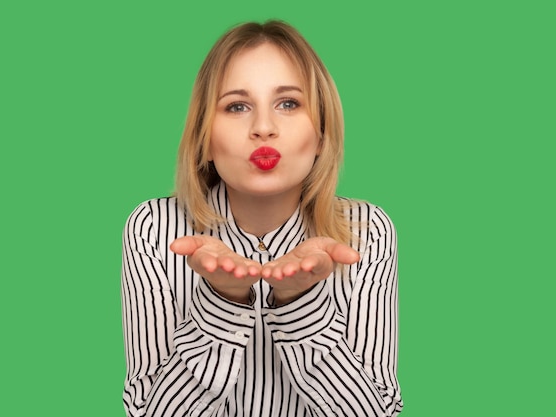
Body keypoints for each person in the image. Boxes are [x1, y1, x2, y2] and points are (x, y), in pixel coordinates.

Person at [121, 20, 402, 417]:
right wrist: (222, 301)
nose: (264, 128)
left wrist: (300, 302)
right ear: (205, 139)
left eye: (288, 103)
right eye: (237, 106)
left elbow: (379, 412)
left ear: (321, 132)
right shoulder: (155, 229)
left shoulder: (365, 233)